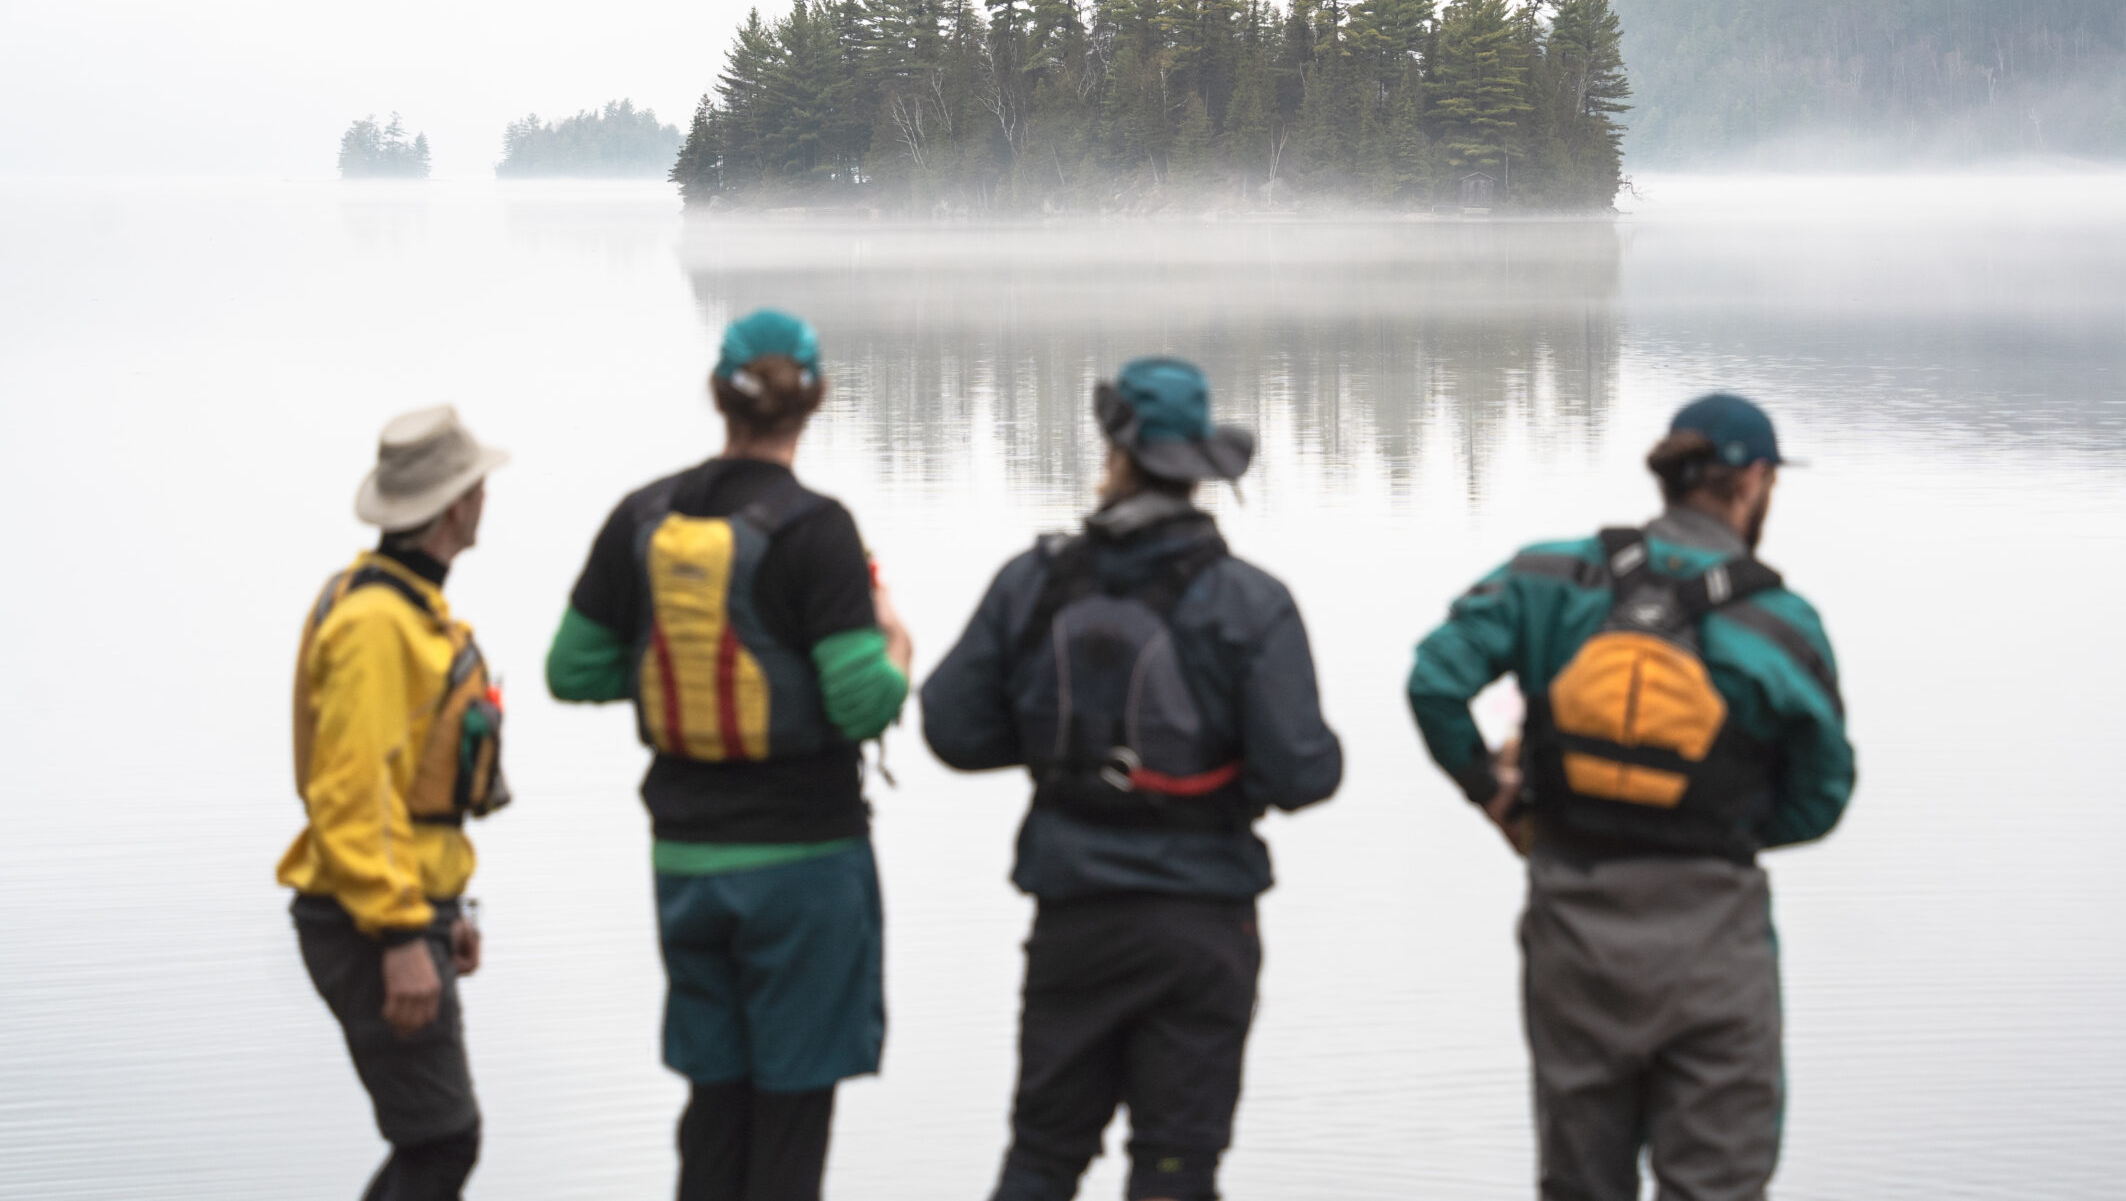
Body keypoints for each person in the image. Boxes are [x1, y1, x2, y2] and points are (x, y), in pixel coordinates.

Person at [1406, 393, 1855, 1201]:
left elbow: (1437, 677)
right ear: (1754, 480)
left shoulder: (1550, 576)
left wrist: (1492, 788)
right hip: (1714, 944)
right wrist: (1727, 823)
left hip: (1573, 938)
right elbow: (1823, 795)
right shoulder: (1781, 624)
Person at [921, 356, 1343, 1201]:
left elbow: (953, 728)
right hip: (1202, 922)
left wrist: (1058, 746)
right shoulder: (1251, 601)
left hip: (1073, 912)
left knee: (1043, 1154)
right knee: (1175, 1164)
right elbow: (1303, 772)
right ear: (1198, 470)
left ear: (1114, 452)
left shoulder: (1031, 580)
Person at [545, 309, 913, 1201]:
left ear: (719, 396)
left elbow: (572, 668)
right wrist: (896, 640)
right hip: (804, 863)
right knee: (790, 1113)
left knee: (715, 1102)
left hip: (686, 859)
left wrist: (669, 658)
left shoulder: (642, 514)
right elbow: (859, 699)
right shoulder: (818, 530)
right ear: (817, 400)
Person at [282, 404, 513, 1201]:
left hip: (396, 906)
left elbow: (404, 791)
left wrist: (441, 917)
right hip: (366, 917)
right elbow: (350, 795)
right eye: (479, 485)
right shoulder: (379, 623)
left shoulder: (399, 605)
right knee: (442, 1144)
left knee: (439, 1140)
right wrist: (399, 933)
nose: (487, 496)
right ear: (455, 504)